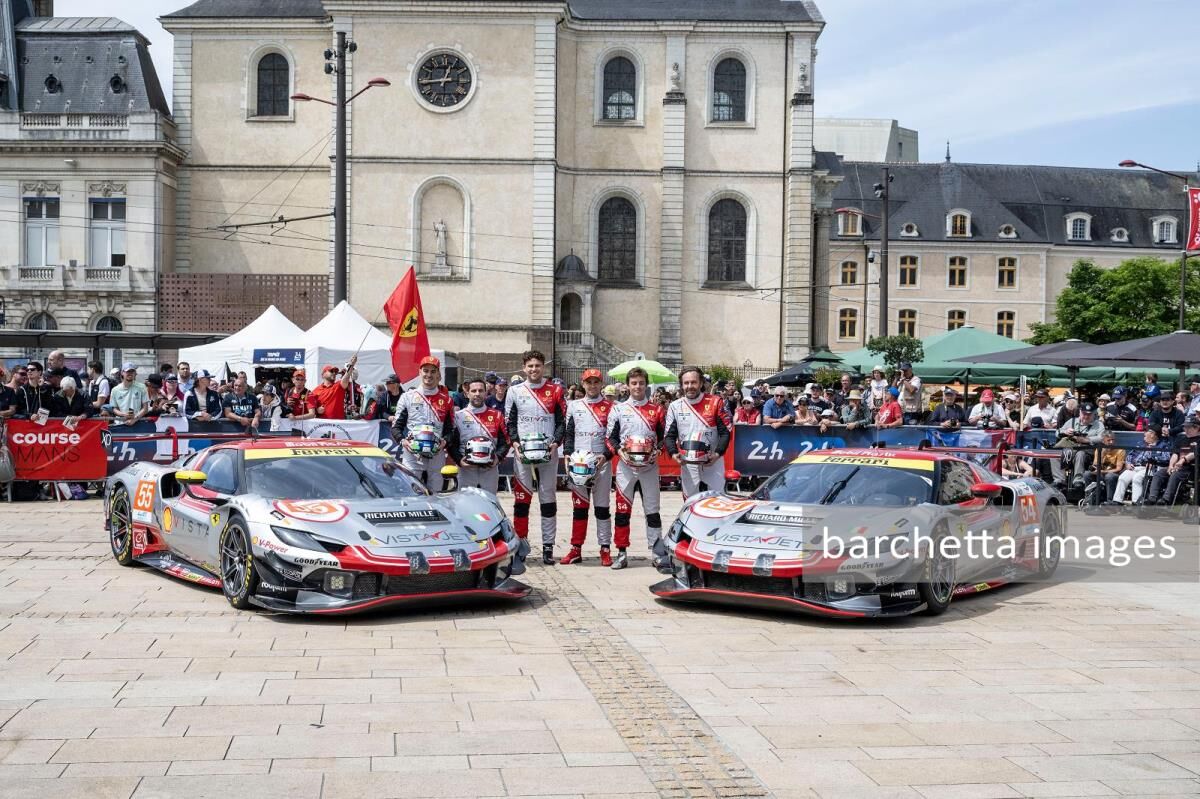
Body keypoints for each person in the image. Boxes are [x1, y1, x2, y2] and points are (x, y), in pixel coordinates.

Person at [506, 350, 566, 565]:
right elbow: (509, 421)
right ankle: (521, 545)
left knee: (547, 499)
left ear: (544, 367)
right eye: (530, 366)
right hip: (523, 453)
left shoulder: (555, 390)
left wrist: (555, 443)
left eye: (537, 366)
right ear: (524, 368)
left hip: (548, 452)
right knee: (522, 500)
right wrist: (514, 442)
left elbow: (561, 422)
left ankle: (548, 547)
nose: (534, 369)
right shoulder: (514, 391)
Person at [606, 366, 668, 571]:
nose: (638, 387)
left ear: (646, 384)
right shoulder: (618, 409)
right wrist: (618, 452)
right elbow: (610, 438)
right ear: (627, 385)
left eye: (641, 383)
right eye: (634, 383)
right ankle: (622, 552)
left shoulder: (657, 409)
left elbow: (664, 438)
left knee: (652, 510)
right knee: (623, 511)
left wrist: (657, 451)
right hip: (626, 467)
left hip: (649, 467)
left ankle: (657, 552)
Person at [560, 369, 614, 565]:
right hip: (579, 462)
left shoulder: (610, 406)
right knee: (579, 508)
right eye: (588, 382)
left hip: (602, 463)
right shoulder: (574, 406)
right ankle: (576, 548)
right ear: (582, 384)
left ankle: (605, 548)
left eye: (596, 382)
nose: (592, 386)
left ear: (601, 384)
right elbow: (569, 433)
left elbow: (613, 437)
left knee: (602, 508)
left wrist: (607, 455)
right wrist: (567, 455)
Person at [664, 365, 733, 501]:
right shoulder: (675, 406)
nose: (690, 386)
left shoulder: (715, 402)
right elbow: (669, 436)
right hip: (688, 463)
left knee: (718, 504)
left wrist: (718, 454)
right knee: (690, 505)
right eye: (686, 383)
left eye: (694, 382)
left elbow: (726, 433)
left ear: (701, 383)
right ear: (682, 385)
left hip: (713, 461)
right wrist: (673, 453)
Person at [392, 356, 457, 494]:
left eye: (433, 371)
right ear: (420, 372)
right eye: (425, 370)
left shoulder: (447, 400)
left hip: (436, 455)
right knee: (411, 493)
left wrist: (444, 442)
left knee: (436, 495)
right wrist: (403, 441)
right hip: (412, 455)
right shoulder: (407, 397)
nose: (429, 375)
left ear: (438, 374)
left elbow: (451, 430)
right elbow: (396, 427)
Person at [452, 378, 509, 494]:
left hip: (489, 469)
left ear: (486, 393)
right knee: (465, 504)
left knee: (489, 503)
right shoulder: (458, 416)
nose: (477, 394)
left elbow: (506, 441)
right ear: (467, 394)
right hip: (466, 469)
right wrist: (459, 460)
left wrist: (498, 457)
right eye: (473, 391)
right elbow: (451, 443)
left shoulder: (497, 415)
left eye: (480, 390)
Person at [1145, 415, 1200, 506]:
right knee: (1159, 474)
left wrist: (1182, 461)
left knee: (1175, 474)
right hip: (1177, 466)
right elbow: (1175, 454)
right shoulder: (1181, 438)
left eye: (1188, 427)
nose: (1185, 429)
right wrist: (1171, 465)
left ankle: (1165, 500)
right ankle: (1152, 498)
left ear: (1197, 427)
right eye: (1184, 426)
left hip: (1191, 468)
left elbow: (1194, 453)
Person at [1106, 428, 1169, 506]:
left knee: (1137, 478)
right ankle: (1117, 501)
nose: (1144, 434)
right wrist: (1128, 463)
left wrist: (1153, 460)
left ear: (1152, 435)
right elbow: (1130, 455)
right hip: (1134, 467)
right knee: (1122, 477)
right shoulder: (1141, 443)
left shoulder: (1162, 445)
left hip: (1150, 468)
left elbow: (1166, 459)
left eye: (1146, 432)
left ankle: (1136, 503)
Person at [1051, 402, 1104, 489]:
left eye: (1089, 414)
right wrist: (1065, 432)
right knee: (1055, 454)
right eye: (1084, 414)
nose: (1086, 416)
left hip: (1087, 450)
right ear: (1080, 412)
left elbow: (1102, 438)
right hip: (1070, 448)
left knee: (1080, 454)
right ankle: (1059, 480)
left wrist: (1087, 440)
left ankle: (1078, 480)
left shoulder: (1098, 424)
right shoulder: (1072, 421)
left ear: (1094, 414)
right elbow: (1057, 433)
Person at [306, 356, 358, 420]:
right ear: (323, 374)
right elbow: (310, 409)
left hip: (338, 425)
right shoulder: (315, 391)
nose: (334, 373)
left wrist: (351, 364)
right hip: (321, 425)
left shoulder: (338, 386)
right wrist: (317, 410)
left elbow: (346, 377)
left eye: (335, 372)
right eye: (331, 371)